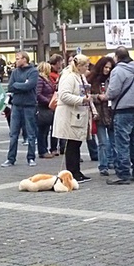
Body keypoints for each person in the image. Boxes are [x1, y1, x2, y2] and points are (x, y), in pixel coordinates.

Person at [100, 47, 134, 186]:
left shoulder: (118, 70)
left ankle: (123, 173)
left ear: (117, 57)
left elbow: (113, 92)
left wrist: (104, 96)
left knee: (122, 143)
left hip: (123, 110)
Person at [53, 54, 92, 183]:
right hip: (69, 115)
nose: (87, 68)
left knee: (76, 143)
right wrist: (82, 100)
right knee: (72, 144)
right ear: (79, 66)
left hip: (77, 115)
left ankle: (76, 171)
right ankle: (72, 172)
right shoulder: (69, 76)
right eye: (85, 66)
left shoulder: (80, 76)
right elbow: (64, 95)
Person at [1, 51, 39, 167]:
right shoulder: (15, 72)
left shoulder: (33, 71)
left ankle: (31, 158)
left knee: (31, 133)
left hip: (29, 105)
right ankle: (11, 158)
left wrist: (17, 85)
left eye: (18, 58)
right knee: (13, 133)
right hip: (16, 105)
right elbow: (10, 87)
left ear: (25, 59)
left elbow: (30, 85)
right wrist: (22, 84)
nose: (16, 61)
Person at [34, 61, 57, 159]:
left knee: (46, 130)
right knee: (42, 130)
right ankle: (42, 151)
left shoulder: (48, 79)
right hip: (43, 106)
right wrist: (49, 101)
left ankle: (45, 149)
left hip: (48, 106)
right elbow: (38, 94)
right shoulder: (40, 79)